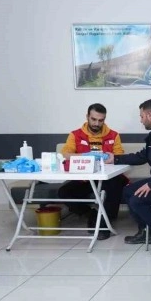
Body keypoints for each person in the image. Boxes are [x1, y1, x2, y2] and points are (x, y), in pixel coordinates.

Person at [105, 99, 151, 255]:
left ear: (150, 115)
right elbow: (142, 156)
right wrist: (115, 159)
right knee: (127, 192)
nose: (141, 120)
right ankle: (146, 232)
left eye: (141, 116)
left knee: (136, 200)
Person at [58, 103, 126, 240]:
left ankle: (104, 225)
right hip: (85, 178)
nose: (97, 123)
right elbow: (65, 154)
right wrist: (84, 156)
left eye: (101, 120)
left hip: (109, 177)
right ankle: (92, 214)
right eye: (94, 119)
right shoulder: (75, 135)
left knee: (115, 185)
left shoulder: (114, 135)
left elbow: (119, 156)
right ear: (87, 117)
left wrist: (110, 158)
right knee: (64, 192)